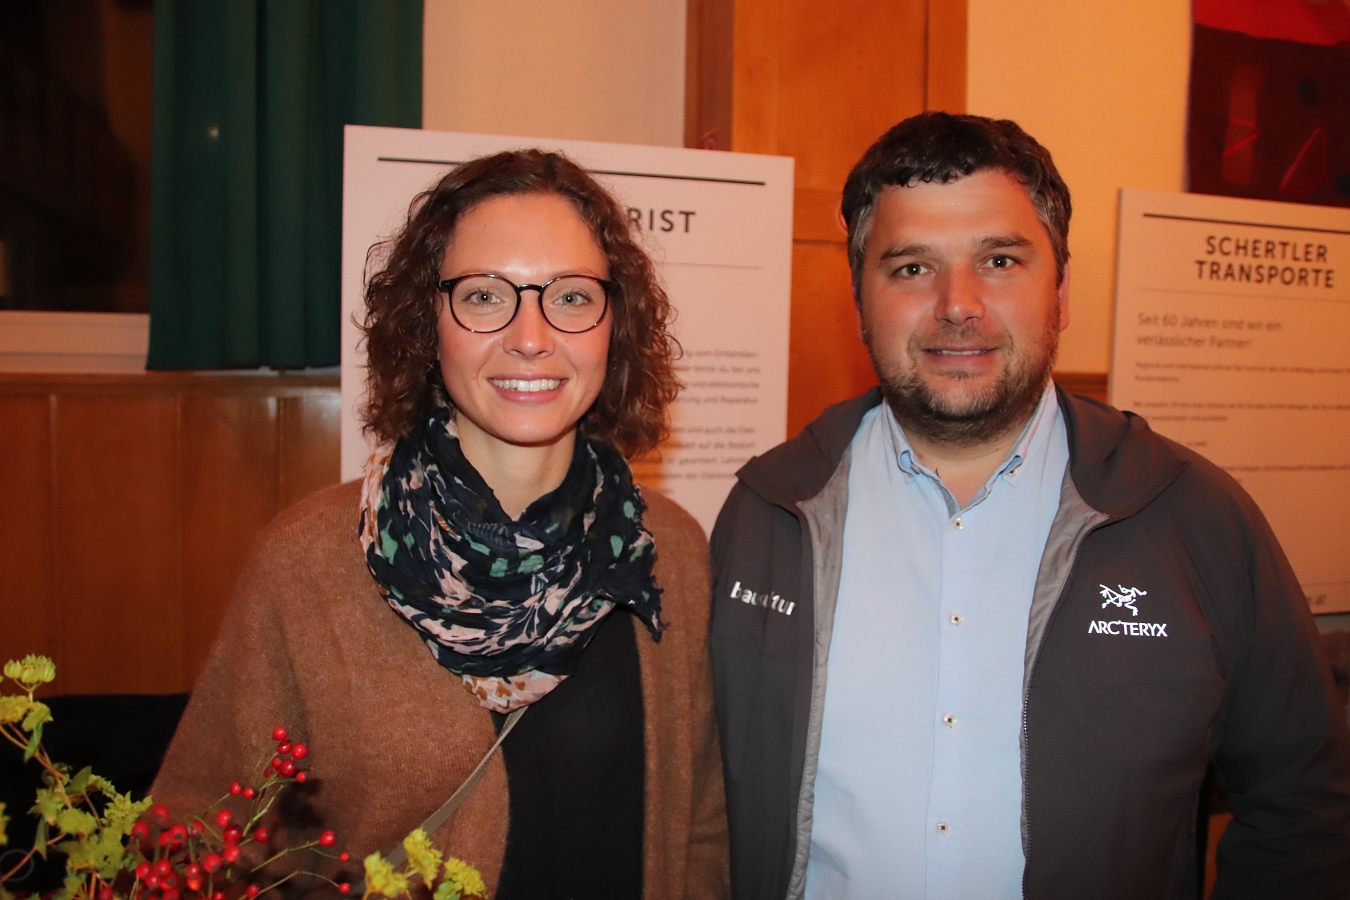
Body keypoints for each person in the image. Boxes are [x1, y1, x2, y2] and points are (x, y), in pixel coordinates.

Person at [709, 112, 1350, 899]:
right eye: (911, 267)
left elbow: (1305, 808)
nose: (958, 304)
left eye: (1000, 260)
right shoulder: (768, 514)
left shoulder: (1196, 519)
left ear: (1062, 291)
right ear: (859, 301)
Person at [152, 150, 730, 899]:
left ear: (614, 323)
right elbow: (205, 843)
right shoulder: (308, 561)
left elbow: (699, 827)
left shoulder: (668, 549)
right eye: (485, 296)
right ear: (427, 323)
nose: (531, 336)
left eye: (572, 297)